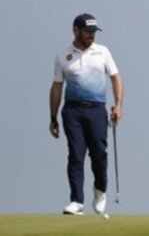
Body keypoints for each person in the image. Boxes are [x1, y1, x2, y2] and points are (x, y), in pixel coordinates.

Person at [49, 13, 123, 215]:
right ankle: (76, 201)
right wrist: (53, 117)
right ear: (76, 31)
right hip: (72, 110)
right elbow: (57, 86)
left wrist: (118, 106)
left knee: (99, 155)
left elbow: (116, 79)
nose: (92, 35)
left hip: (97, 109)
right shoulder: (63, 55)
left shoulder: (103, 52)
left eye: (93, 32)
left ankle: (100, 190)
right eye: (88, 31)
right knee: (75, 154)